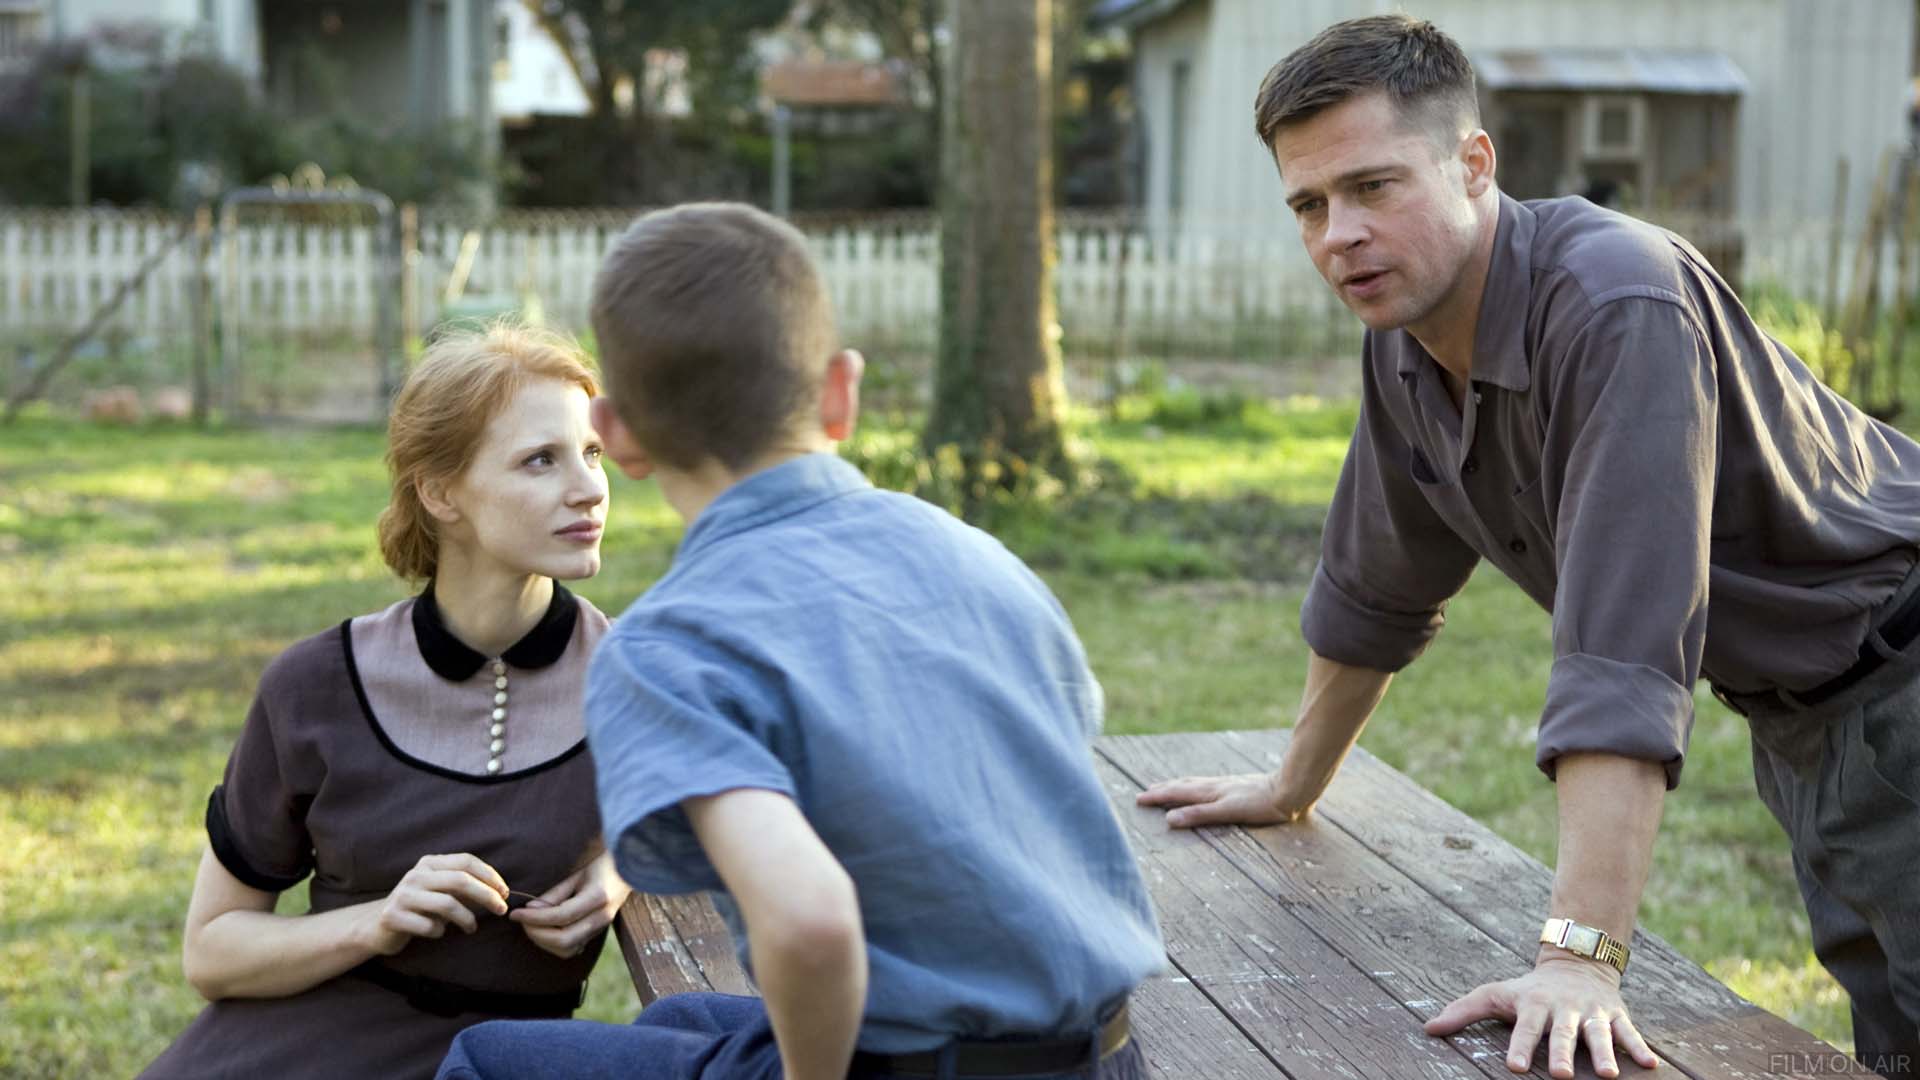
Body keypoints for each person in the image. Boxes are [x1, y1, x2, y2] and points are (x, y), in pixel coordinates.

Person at [1134, 14, 1920, 1080]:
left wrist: (1582, 961)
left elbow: (1623, 655)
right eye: (1309, 205)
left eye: (1374, 187)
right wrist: (1293, 782)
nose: (1338, 235)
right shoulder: (1408, 345)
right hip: (1810, 720)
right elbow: (1375, 590)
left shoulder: (1614, 304)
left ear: (1473, 163)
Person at [435, 202, 1165, 1080]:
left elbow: (810, 924)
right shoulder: (981, 560)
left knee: (487, 1061)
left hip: (912, 1064)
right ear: (840, 391)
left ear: (615, 436)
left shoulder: (673, 648)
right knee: (695, 1015)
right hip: (1102, 1053)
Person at [139, 325, 632, 1080]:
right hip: (288, 1050)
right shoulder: (313, 687)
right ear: (440, 492)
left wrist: (621, 869)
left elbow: (731, 824)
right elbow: (212, 952)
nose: (589, 486)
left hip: (503, 1060)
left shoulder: (640, 679)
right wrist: (378, 920)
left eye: (591, 454)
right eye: (542, 459)